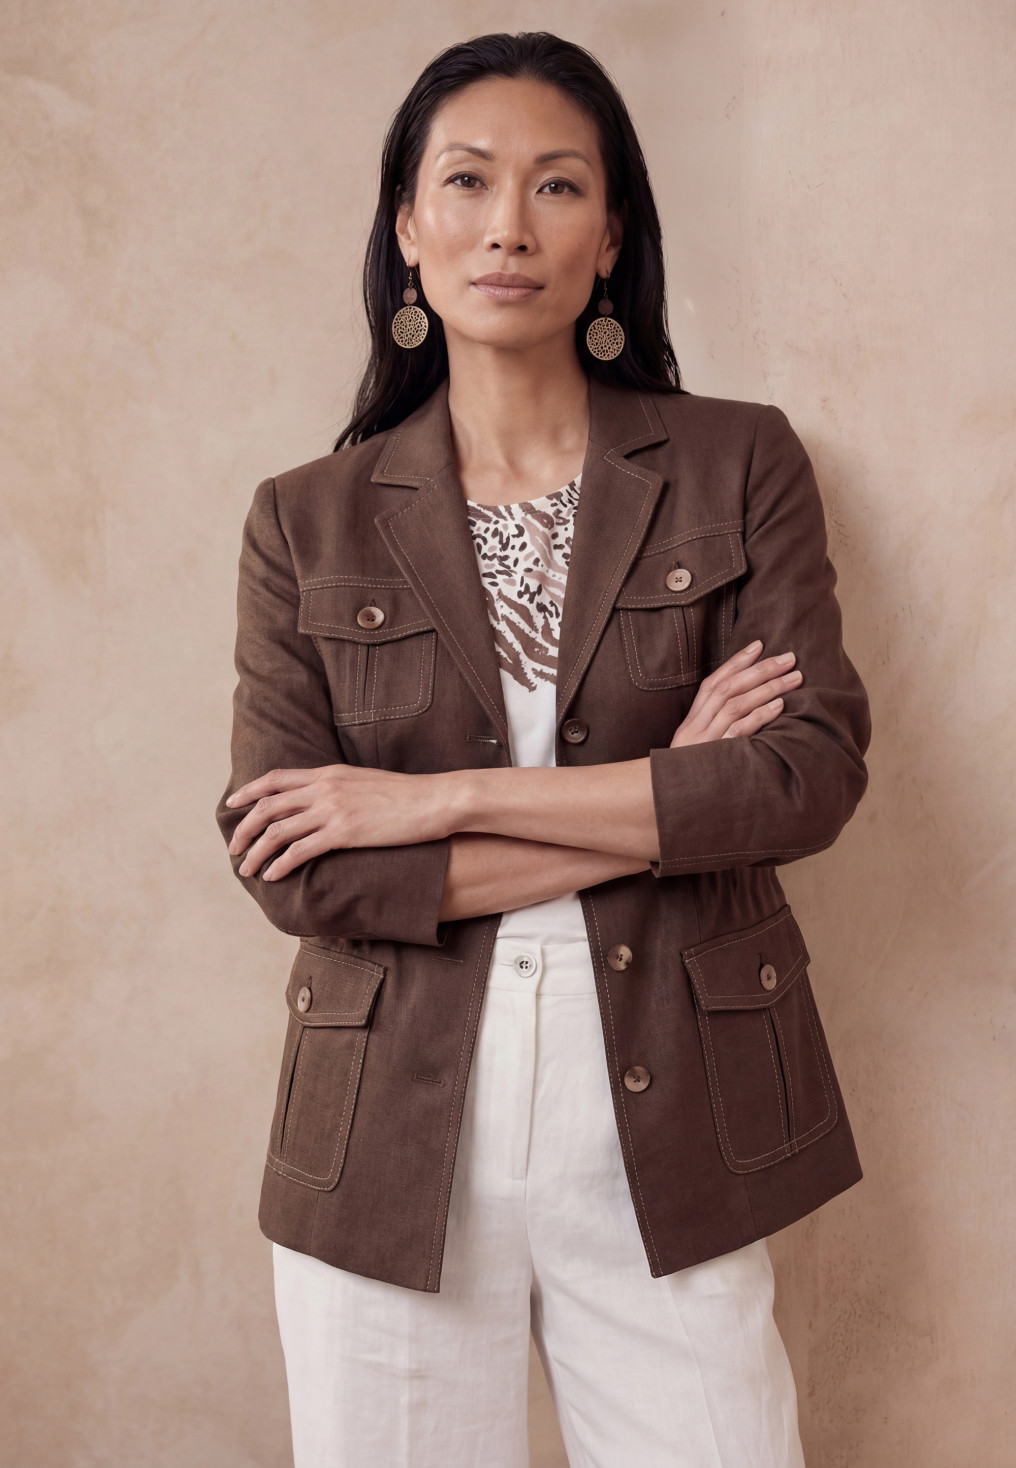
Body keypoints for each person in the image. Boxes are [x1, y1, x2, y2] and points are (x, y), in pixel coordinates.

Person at [215, 30, 871, 1468]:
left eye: (558, 185)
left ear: (612, 235)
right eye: (467, 181)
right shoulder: (303, 519)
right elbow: (298, 868)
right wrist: (667, 794)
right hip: (386, 1126)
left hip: (678, 1103)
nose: (509, 225)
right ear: (406, 226)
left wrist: (432, 801)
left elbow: (802, 777)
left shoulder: (737, 462)